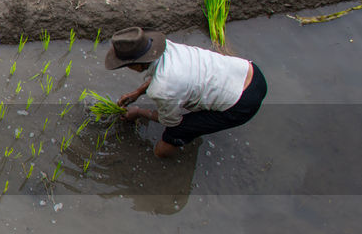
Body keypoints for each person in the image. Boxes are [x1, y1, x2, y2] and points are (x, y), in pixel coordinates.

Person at [105, 27, 267, 158]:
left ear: (137, 65)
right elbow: (162, 72)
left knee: (170, 140)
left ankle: (166, 169)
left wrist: (138, 112)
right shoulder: (167, 47)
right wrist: (137, 93)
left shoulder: (162, 88)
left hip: (241, 103)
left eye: (126, 65)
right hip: (250, 72)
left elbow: (170, 121)